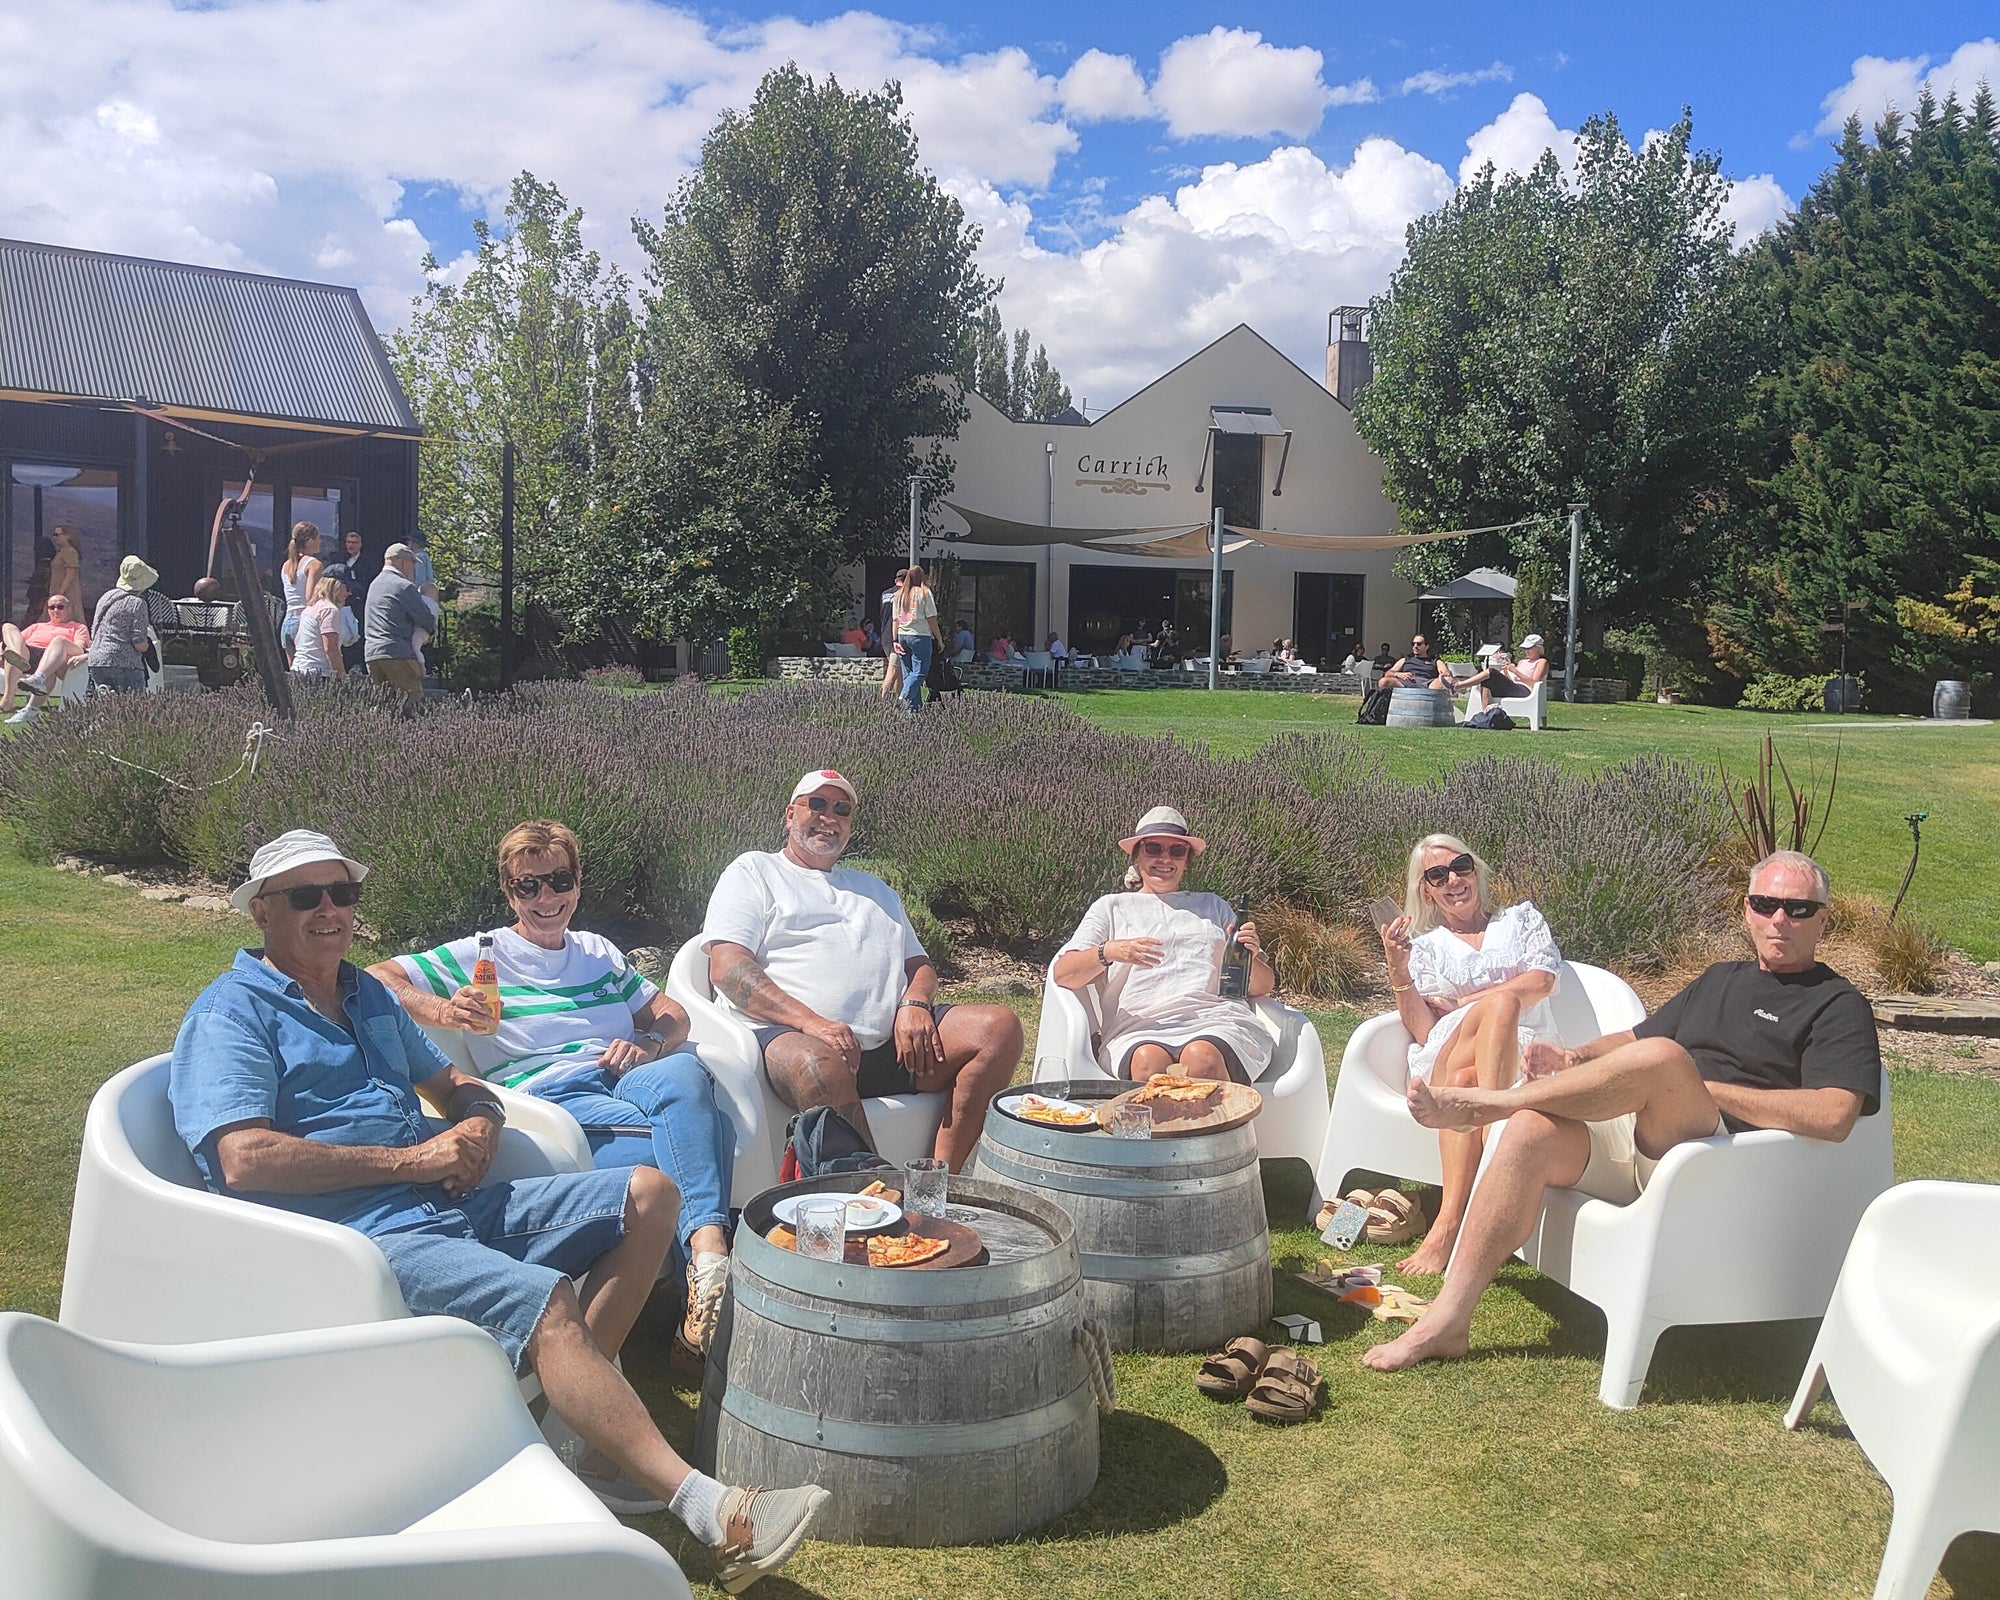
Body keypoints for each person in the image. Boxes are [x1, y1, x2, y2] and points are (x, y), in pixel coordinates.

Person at [167, 829, 828, 1582]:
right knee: (548, 1302)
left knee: (651, 1193)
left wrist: (479, 1123)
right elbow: (241, 1158)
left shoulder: (365, 994)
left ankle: (569, 1446)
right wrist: (414, 1159)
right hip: (358, 1236)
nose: (329, 910)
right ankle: (714, 1514)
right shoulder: (233, 1012)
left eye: (342, 893)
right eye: (304, 897)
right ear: (260, 911)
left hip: (445, 1202)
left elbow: (456, 1088)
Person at [1364, 850, 1883, 1374]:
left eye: (1796, 908)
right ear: (1747, 910)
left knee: (1665, 1060)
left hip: (1721, 1159)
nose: (1779, 919)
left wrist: (1706, 1090)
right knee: (1529, 1132)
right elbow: (1635, 1039)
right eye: (1766, 903)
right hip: (1646, 1135)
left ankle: (1491, 1104)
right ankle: (1447, 1320)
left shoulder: (1837, 1005)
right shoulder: (1721, 979)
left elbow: (1834, 1115)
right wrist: (1575, 1056)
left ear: (1823, 918)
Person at [370, 820, 736, 1357]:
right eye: (529, 886)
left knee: (684, 1076)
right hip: (552, 1098)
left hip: (626, 1078)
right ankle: (699, 1303)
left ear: (578, 882)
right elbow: (377, 976)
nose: (547, 897)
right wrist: (445, 1009)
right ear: (508, 891)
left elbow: (671, 1013)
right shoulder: (482, 953)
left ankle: (702, 1273)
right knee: (709, 1132)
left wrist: (652, 1043)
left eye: (559, 881)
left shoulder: (596, 951)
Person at [702, 770, 1021, 1170]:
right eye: (816, 804)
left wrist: (915, 1003)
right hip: (787, 1039)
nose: (828, 817)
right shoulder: (755, 871)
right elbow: (728, 967)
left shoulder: (876, 890)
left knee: (998, 1028)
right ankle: (878, 1196)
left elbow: (919, 964)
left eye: (842, 809)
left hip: (890, 1048)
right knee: (818, 1064)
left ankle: (940, 1184)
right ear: (789, 815)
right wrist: (813, 1023)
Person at [1363, 834, 1561, 1275]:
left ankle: (1450, 1224)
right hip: (1450, 1045)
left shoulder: (1521, 919)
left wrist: (1470, 1001)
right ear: (1426, 889)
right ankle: (1490, 1189)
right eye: (1437, 875)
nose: (1453, 879)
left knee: (1467, 1081)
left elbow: (1542, 982)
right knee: (1504, 1004)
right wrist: (1398, 968)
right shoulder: (1428, 946)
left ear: (1476, 870)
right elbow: (1424, 1028)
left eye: (1461, 866)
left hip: (1521, 1052)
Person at [1052, 807, 1274, 1084]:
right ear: (1136, 857)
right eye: (1153, 848)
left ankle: (1218, 1127)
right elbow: (1064, 973)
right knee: (1148, 1062)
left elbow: (1262, 987)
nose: (1165, 858)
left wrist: (1250, 954)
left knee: (1200, 1057)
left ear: (1187, 860)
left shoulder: (1213, 906)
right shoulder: (1112, 907)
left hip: (1216, 1020)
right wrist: (1109, 951)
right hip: (1138, 1027)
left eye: (1177, 851)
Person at [364, 543, 432, 707]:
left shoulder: (374, 585)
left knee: (385, 710)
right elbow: (426, 619)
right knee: (413, 707)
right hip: (398, 653)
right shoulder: (404, 586)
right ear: (403, 562)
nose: (412, 569)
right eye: (412, 564)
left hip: (372, 654)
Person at [3, 594, 89, 721]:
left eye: (60, 607)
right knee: (8, 627)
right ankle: (8, 698)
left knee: (58, 641)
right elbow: (18, 640)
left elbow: (79, 648)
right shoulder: (37, 626)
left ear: (69, 609)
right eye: (51, 607)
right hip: (30, 655)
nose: (55, 610)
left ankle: (39, 678)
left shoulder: (78, 627)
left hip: (57, 656)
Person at [83, 555, 157, 695]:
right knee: (132, 709)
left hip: (97, 660)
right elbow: (139, 643)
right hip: (125, 663)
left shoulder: (106, 597)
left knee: (104, 709)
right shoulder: (137, 603)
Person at [321, 531, 375, 672]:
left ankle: (358, 664)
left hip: (357, 604)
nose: (351, 545)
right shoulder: (340, 560)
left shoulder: (367, 562)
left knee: (357, 633)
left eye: (354, 542)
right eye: (348, 542)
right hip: (341, 604)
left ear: (360, 545)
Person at [891, 565, 941, 713]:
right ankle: (903, 697)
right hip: (920, 636)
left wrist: (895, 640)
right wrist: (939, 639)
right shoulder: (924, 593)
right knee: (919, 672)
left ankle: (912, 712)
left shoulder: (899, 595)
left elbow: (895, 620)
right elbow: (931, 618)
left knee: (909, 673)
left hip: (902, 636)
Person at [289, 575, 350, 680]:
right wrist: (342, 675)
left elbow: (297, 640)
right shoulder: (330, 610)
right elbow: (330, 648)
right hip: (318, 673)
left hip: (298, 669)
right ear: (336, 586)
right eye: (347, 588)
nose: (349, 593)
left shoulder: (309, 608)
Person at [279, 523, 324, 658]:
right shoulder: (314, 564)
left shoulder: (286, 565)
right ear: (309, 540)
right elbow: (311, 596)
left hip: (288, 620)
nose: (320, 541)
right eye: (318, 538)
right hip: (304, 621)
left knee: (294, 676)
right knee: (310, 672)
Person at [1378, 633, 1455, 692]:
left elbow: (1445, 673)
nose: (1415, 646)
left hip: (1428, 683)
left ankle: (1432, 706)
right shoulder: (1406, 659)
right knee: (1383, 681)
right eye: (1413, 644)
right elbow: (1388, 673)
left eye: (1419, 644)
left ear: (1427, 646)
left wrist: (1446, 674)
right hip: (1406, 683)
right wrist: (1398, 674)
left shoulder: (1435, 660)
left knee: (1446, 680)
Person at [875, 570, 905, 700]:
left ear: (896, 580)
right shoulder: (903, 594)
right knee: (892, 670)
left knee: (899, 672)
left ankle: (900, 699)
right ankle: (880, 699)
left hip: (885, 636)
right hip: (896, 637)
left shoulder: (885, 594)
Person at [48, 523, 83, 614]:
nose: (55, 538)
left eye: (57, 535)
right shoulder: (61, 552)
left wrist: (60, 593)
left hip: (66, 593)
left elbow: (70, 574)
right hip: (55, 590)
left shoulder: (70, 552)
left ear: (68, 536)